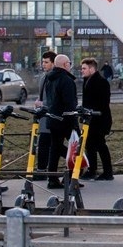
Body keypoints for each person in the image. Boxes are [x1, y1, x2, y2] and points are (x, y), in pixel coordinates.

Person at [42, 54, 79, 188]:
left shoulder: (50, 78)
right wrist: (74, 122)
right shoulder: (66, 80)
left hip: (53, 118)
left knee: (55, 148)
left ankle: (52, 179)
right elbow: (69, 103)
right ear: (65, 65)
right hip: (66, 119)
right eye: (69, 63)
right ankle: (71, 178)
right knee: (75, 149)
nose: (70, 65)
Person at [78, 58, 114, 181]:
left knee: (100, 145)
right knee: (89, 145)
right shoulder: (87, 80)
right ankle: (92, 170)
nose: (81, 71)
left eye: (84, 68)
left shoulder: (101, 82)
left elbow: (103, 103)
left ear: (92, 69)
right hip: (90, 120)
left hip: (99, 120)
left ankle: (108, 172)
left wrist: (91, 111)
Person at [34, 51, 58, 188]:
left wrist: (43, 104)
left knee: (47, 143)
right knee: (46, 143)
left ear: (53, 63)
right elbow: (42, 94)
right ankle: (42, 169)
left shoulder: (54, 78)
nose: (43, 65)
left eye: (46, 62)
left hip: (50, 115)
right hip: (43, 115)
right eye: (42, 62)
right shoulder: (43, 77)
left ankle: (42, 170)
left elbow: (54, 99)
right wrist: (39, 101)